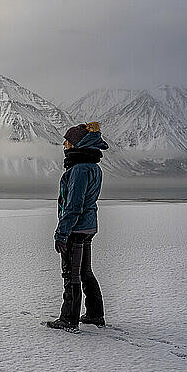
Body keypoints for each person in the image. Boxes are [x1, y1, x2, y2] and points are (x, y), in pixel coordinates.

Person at [47, 122, 109, 331]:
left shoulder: (79, 169)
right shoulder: (93, 166)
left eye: (68, 140)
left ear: (77, 144)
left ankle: (69, 318)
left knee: (71, 274)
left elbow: (74, 205)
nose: (64, 144)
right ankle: (94, 314)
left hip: (76, 228)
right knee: (85, 272)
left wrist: (61, 233)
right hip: (88, 226)